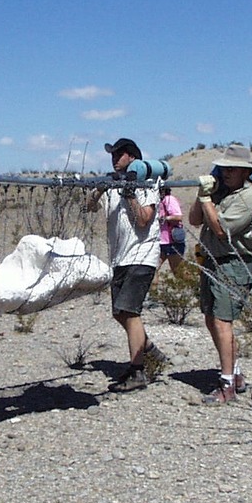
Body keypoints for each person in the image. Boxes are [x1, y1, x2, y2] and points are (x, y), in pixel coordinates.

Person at [85, 137, 166, 392]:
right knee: (119, 312)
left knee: (130, 313)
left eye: (118, 154)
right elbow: (88, 207)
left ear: (132, 156)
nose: (114, 158)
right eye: (112, 154)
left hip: (141, 255)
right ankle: (149, 350)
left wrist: (130, 193)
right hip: (120, 257)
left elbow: (144, 219)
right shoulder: (112, 183)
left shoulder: (148, 182)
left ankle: (137, 371)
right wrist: (99, 188)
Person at [188, 144, 252, 404]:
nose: (227, 172)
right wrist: (202, 195)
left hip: (233, 262)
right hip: (212, 260)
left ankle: (227, 384)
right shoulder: (222, 194)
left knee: (223, 321)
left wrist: (208, 200)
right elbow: (195, 220)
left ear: (245, 171)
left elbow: (222, 230)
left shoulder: (249, 195)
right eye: (224, 167)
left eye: (233, 168)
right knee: (212, 319)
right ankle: (236, 373)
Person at [156, 184, 186, 277]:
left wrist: (165, 218)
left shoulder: (169, 199)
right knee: (152, 271)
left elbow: (178, 217)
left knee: (178, 272)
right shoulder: (157, 202)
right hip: (159, 242)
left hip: (172, 242)